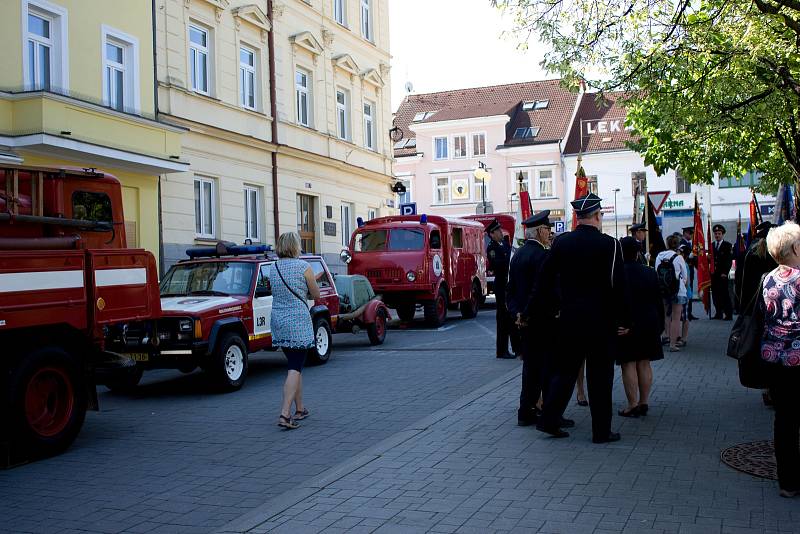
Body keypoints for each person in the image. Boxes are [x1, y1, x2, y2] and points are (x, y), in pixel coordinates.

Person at [534, 193, 629, 443]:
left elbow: (544, 278)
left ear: (578, 217)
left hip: (570, 319)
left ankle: (549, 420)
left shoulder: (562, 243)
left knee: (564, 372)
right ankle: (601, 431)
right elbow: (618, 286)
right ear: (597, 216)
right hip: (602, 322)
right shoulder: (611, 245)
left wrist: (553, 306)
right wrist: (623, 320)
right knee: (600, 376)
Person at [506, 211, 557, 426]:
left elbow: (511, 290)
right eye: (547, 229)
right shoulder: (543, 256)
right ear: (539, 231)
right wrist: (527, 312)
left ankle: (526, 410)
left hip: (524, 320)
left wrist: (517, 314)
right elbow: (541, 290)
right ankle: (541, 411)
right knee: (545, 369)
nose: (549, 233)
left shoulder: (518, 255)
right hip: (540, 319)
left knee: (530, 368)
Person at [760, 222, 800, 497]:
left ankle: (787, 481)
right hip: (798, 359)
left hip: (773, 358)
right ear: (795, 247)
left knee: (784, 419)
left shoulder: (767, 278)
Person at [270, 231, 321, 430]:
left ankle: (300, 409)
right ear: (295, 246)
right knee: (295, 367)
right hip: (298, 321)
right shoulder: (304, 267)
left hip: (278, 321)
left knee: (294, 365)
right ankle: (285, 413)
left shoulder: (273, 267)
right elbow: (315, 294)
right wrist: (309, 284)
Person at [616, 236, 664, 417]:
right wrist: (659, 325)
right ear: (637, 253)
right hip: (649, 323)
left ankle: (632, 404)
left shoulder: (617, 272)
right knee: (644, 362)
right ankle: (644, 402)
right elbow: (658, 301)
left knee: (628, 363)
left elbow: (615, 302)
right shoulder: (650, 272)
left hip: (626, 324)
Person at [486, 219, 515, 359]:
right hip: (501, 286)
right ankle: (501, 350)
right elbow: (497, 265)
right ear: (491, 234)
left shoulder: (505, 244)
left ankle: (513, 348)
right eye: (497, 231)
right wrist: (508, 259)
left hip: (508, 285)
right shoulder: (492, 248)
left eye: (500, 230)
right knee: (503, 318)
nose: (500, 232)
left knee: (510, 317)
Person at [656, 234, 689, 352]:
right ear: (677, 245)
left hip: (663, 290)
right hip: (678, 291)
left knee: (666, 315)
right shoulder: (679, 258)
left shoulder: (659, 256)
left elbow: (656, 272)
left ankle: (667, 336)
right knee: (676, 318)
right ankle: (673, 344)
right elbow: (685, 277)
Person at [711, 223, 734, 320]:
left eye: (719, 233)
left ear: (722, 234)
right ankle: (718, 312)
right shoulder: (712, 245)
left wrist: (725, 272)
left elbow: (728, 261)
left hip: (722, 274)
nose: (717, 235)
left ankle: (728, 314)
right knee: (715, 294)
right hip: (714, 274)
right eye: (716, 234)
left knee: (724, 294)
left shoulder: (727, 245)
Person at [680, 226, 699, 320]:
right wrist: (689, 257)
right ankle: (683, 313)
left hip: (690, 270)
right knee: (685, 291)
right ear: (685, 233)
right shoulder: (682, 244)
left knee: (689, 291)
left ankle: (689, 312)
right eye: (690, 233)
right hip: (684, 271)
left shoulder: (689, 243)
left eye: (692, 233)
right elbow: (681, 259)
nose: (691, 235)